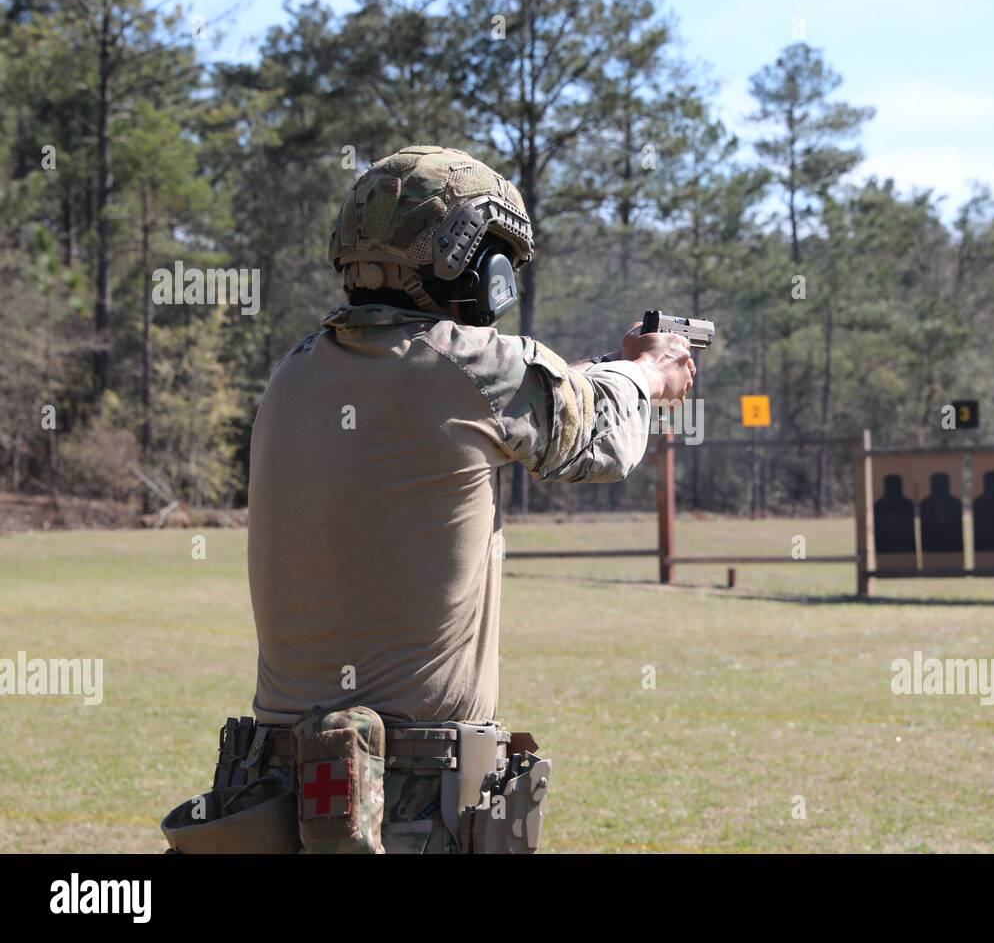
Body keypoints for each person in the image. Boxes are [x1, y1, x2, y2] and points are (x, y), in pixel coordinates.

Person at [171, 146, 694, 855]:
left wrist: (602, 370)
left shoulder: (292, 374)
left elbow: (485, 394)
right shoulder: (471, 368)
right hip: (408, 801)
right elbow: (600, 440)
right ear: (471, 266)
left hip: (269, 796)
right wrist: (646, 371)